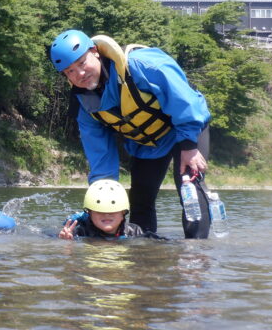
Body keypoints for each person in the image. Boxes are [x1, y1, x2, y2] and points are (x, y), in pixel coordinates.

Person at [50, 29, 212, 238]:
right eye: (70, 71)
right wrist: (103, 197)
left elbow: (183, 100)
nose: (79, 74)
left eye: (82, 63)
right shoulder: (85, 105)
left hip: (186, 128)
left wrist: (189, 146)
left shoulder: (142, 65)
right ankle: (142, 259)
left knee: (189, 188)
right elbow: (101, 157)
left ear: (95, 52)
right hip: (148, 144)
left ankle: (196, 256)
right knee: (140, 200)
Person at [58, 179, 154, 240]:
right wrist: (67, 243)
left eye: (112, 211)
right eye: (100, 211)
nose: (106, 215)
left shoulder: (134, 231)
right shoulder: (80, 232)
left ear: (123, 213)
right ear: (89, 213)